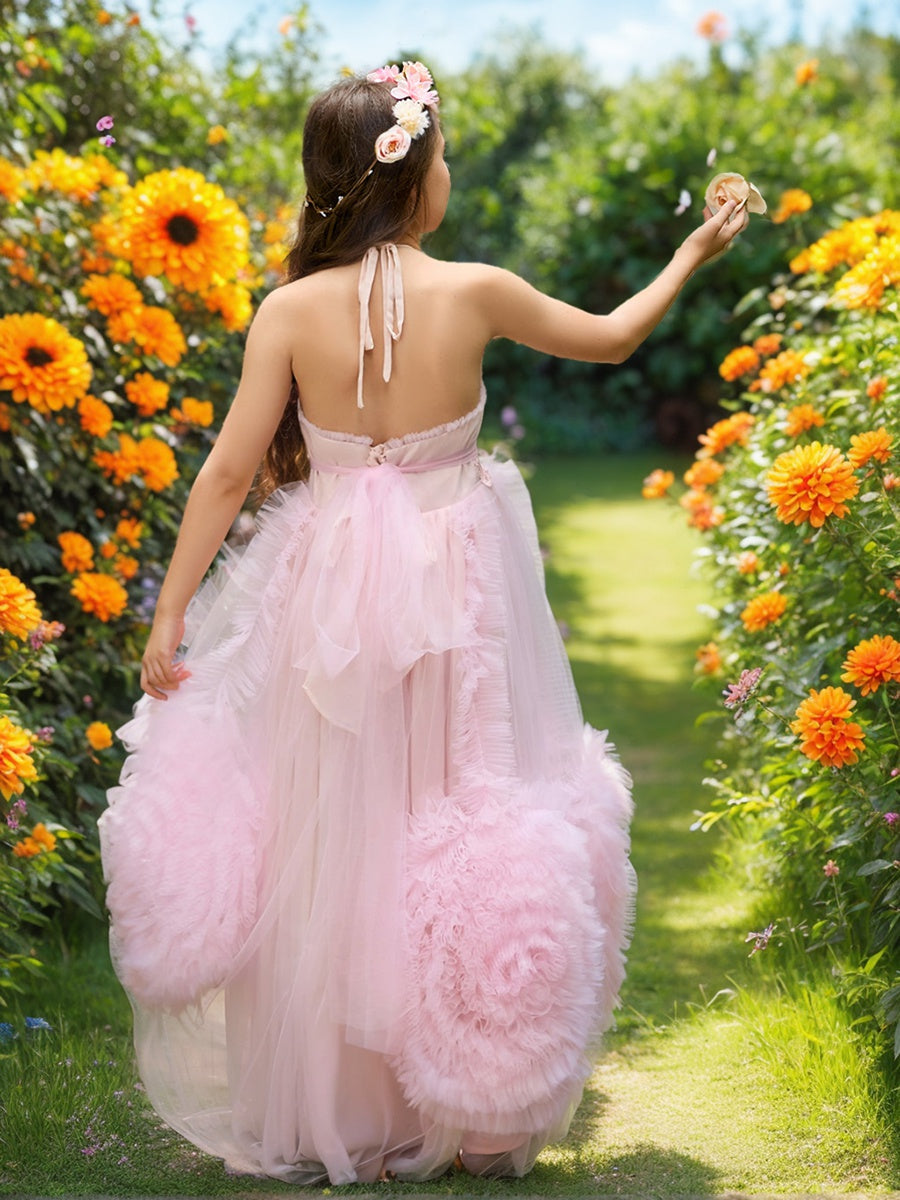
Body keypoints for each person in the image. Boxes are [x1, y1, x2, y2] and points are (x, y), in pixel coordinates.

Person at [97, 62, 749, 1186]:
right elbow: (611, 338)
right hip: (458, 585)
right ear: (407, 180)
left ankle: (333, 1099)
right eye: (441, 156)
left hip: (329, 590)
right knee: (454, 798)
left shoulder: (289, 309)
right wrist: (692, 252)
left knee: (331, 821)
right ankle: (461, 1087)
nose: (447, 172)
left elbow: (226, 473)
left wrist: (170, 615)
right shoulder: (479, 288)